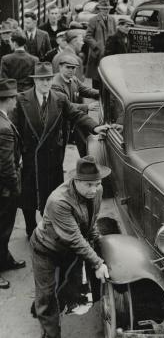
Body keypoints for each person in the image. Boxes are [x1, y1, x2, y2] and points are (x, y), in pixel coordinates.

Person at [12, 62, 110, 240]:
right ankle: (30, 230)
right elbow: (15, 129)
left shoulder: (60, 99)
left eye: (48, 79)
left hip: (52, 158)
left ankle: (49, 228)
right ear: (35, 81)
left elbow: (76, 115)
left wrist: (95, 128)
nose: (45, 83)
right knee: (29, 196)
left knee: (52, 195)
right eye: (41, 80)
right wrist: (16, 155)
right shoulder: (21, 99)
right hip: (29, 157)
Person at [30, 155, 110, 338]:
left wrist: (99, 240)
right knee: (47, 296)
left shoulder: (97, 190)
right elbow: (74, 238)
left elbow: (91, 220)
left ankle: (45, 304)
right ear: (76, 180)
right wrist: (98, 263)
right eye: (88, 185)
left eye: (96, 183)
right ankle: (50, 334)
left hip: (67, 250)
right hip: (45, 250)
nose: (94, 189)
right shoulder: (59, 201)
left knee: (64, 283)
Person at [0, 78, 26, 289]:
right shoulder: (4, 127)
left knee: (4, 229)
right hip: (5, 190)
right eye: (14, 98)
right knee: (2, 228)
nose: (16, 101)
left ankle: (5, 258)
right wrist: (15, 187)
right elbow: (6, 165)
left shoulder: (3, 119)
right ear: (6, 100)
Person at [52, 55, 99, 156]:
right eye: (67, 67)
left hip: (74, 120)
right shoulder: (56, 84)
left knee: (84, 143)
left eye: (73, 68)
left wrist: (102, 93)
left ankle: (86, 166)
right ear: (60, 67)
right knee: (59, 150)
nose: (71, 70)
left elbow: (85, 90)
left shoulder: (73, 79)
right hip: (61, 123)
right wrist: (86, 107)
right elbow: (65, 105)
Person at [85, 0, 116, 88]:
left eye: (107, 9)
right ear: (100, 9)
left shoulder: (112, 20)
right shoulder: (93, 20)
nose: (106, 11)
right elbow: (88, 36)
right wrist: (96, 47)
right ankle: (96, 97)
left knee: (108, 78)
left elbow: (114, 35)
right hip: (97, 54)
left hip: (109, 54)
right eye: (103, 9)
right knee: (97, 78)